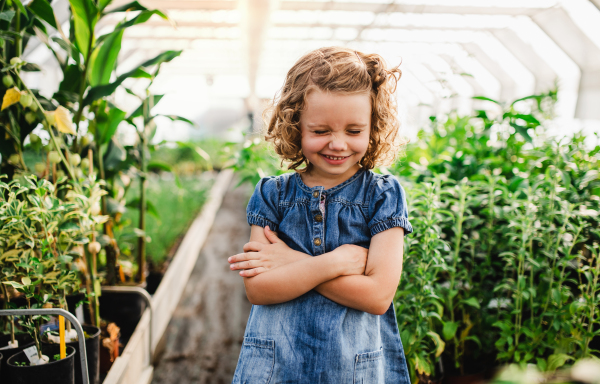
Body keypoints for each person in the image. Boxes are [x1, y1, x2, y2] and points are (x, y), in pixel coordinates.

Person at [227, 46, 413, 383]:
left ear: (374, 126)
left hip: (352, 365)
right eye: (321, 131)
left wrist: (289, 261)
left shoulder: (383, 194)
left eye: (354, 131)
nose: (338, 144)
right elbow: (260, 290)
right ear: (296, 125)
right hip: (277, 364)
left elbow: (377, 296)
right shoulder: (273, 194)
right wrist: (336, 262)